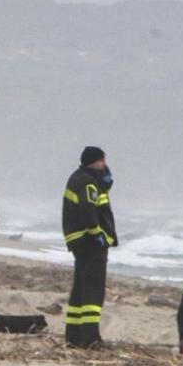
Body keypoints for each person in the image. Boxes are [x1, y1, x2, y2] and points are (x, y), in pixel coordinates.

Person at [62, 146, 118, 349]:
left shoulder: (79, 178)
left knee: (80, 289)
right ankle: (91, 338)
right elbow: (89, 210)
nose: (105, 165)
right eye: (103, 161)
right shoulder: (87, 182)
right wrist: (99, 235)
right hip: (89, 241)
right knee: (93, 291)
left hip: (79, 240)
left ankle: (73, 335)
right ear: (95, 161)